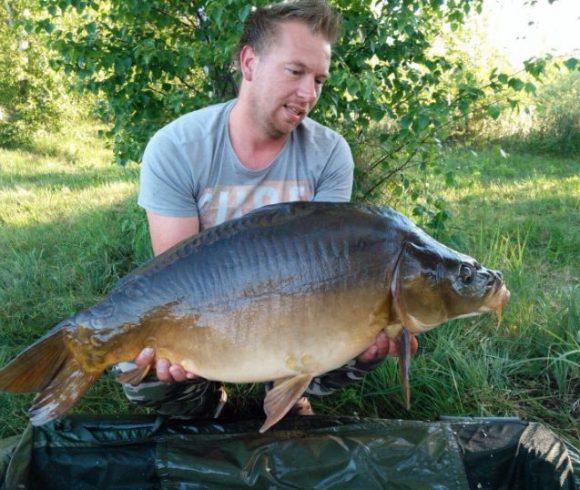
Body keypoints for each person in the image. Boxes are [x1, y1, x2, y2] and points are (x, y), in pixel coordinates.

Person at [115, 0, 417, 418]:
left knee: (367, 335)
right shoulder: (176, 148)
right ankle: (207, 401)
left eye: (319, 79)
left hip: (295, 311)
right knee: (141, 363)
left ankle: (291, 394)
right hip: (210, 316)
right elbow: (176, 282)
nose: (309, 94)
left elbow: (329, 276)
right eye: (295, 72)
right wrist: (175, 347)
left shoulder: (329, 154)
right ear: (250, 63)